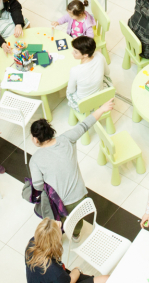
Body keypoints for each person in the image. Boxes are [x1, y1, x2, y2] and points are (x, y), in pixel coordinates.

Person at [29, 99, 114, 240]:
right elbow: (85, 124)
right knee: (77, 220)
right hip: (81, 197)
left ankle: (59, 234)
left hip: (61, 202)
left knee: (58, 220)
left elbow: (37, 185)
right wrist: (102, 108)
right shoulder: (66, 139)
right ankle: (76, 234)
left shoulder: (36, 159)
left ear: (36, 140)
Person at [26, 218, 110, 283]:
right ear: (54, 242)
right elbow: (70, 281)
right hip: (64, 279)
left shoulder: (32, 243)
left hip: (48, 279)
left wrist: (53, 227)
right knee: (106, 279)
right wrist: (77, 270)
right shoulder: (53, 270)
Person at [66, 36, 110, 109]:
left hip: (83, 104)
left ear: (85, 54)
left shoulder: (75, 70)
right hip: (99, 97)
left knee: (69, 89)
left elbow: (71, 90)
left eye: (75, 52)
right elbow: (107, 72)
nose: (72, 53)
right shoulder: (99, 55)